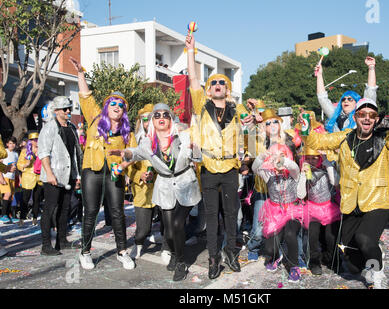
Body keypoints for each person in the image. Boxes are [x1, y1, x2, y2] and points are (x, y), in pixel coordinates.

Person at [301, 97, 389, 288]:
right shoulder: (345, 137)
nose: (367, 118)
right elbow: (317, 140)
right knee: (353, 260)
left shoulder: (386, 138)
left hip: (377, 200)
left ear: (376, 119)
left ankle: (377, 274)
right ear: (355, 117)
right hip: (351, 202)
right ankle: (374, 251)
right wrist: (305, 127)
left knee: (364, 239)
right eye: (362, 114)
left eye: (371, 115)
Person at [115, 103, 202, 281]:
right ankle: (176, 254)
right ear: (153, 121)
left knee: (178, 224)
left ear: (171, 119)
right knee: (169, 230)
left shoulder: (184, 135)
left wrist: (195, 147)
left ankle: (181, 262)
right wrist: (125, 154)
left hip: (185, 183)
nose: (161, 117)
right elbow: (137, 153)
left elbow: (198, 156)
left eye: (165, 114)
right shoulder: (148, 142)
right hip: (165, 186)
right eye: (157, 115)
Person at [185, 33, 248, 279]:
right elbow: (192, 79)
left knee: (231, 215)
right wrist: (191, 52)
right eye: (214, 83)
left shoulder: (237, 109)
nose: (218, 85)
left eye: (222, 82)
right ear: (209, 91)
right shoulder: (202, 104)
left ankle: (230, 254)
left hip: (231, 168)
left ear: (228, 89)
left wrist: (245, 161)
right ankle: (213, 259)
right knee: (212, 217)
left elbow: (249, 135)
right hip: (209, 168)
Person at [69, 57, 138, 270]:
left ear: (124, 111)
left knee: (117, 212)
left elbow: (133, 154)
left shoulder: (127, 131)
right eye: (114, 103)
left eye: (121, 105)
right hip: (92, 169)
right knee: (90, 211)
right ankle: (85, 252)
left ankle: (122, 251)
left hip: (114, 173)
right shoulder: (95, 118)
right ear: (108, 106)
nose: (117, 106)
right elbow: (86, 96)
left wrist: (124, 165)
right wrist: (81, 72)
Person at [37, 96, 83, 255]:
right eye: (65, 109)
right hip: (54, 175)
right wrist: (49, 173)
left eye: (69, 108)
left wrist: (77, 176)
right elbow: (43, 152)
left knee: (65, 208)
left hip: (68, 175)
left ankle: (62, 241)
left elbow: (75, 154)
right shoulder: (49, 127)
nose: (68, 111)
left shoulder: (71, 127)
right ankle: (45, 245)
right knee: (49, 209)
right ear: (56, 111)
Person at [252, 143, 303, 282]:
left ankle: (294, 266)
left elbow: (294, 167)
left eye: (283, 156)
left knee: (290, 234)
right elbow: (255, 168)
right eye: (276, 157)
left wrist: (283, 161)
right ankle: (275, 256)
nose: (278, 160)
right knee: (269, 248)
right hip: (274, 212)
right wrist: (263, 157)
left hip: (292, 211)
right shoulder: (269, 175)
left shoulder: (293, 174)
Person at [297, 146, 341, 276]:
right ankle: (314, 262)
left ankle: (332, 259)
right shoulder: (305, 172)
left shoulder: (326, 169)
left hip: (328, 208)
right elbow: (300, 195)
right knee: (313, 236)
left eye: (314, 158)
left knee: (330, 236)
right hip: (312, 208)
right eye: (308, 158)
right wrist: (303, 175)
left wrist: (327, 162)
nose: (311, 161)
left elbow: (336, 181)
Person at [316, 56, 378, 133]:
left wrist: (371, 68)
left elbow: (371, 91)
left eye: (350, 99)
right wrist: (319, 75)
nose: (346, 101)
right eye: (343, 99)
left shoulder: (362, 116)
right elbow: (322, 99)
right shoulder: (336, 116)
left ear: (357, 103)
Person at [128, 104, 158, 260]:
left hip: (161, 187)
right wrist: (140, 176)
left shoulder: (163, 138)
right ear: (141, 121)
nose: (149, 122)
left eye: (152, 118)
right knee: (143, 228)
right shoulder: (134, 140)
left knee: (169, 223)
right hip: (142, 190)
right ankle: (138, 243)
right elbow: (128, 166)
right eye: (145, 119)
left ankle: (168, 248)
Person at [17, 132, 44, 226]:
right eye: (33, 140)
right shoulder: (25, 151)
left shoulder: (43, 149)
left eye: (37, 139)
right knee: (25, 198)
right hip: (28, 176)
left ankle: (35, 217)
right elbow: (19, 164)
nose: (35, 141)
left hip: (39, 176)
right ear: (30, 141)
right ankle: (22, 218)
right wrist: (25, 165)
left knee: (37, 198)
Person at [0, 137, 19, 223]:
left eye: (13, 143)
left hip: (12, 177)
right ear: (7, 144)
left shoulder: (15, 154)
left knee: (11, 196)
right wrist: (1, 178)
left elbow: (17, 168)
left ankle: (9, 215)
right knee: (7, 194)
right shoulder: (4, 152)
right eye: (10, 143)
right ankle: (3, 215)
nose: (12, 145)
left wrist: (20, 178)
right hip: (5, 176)